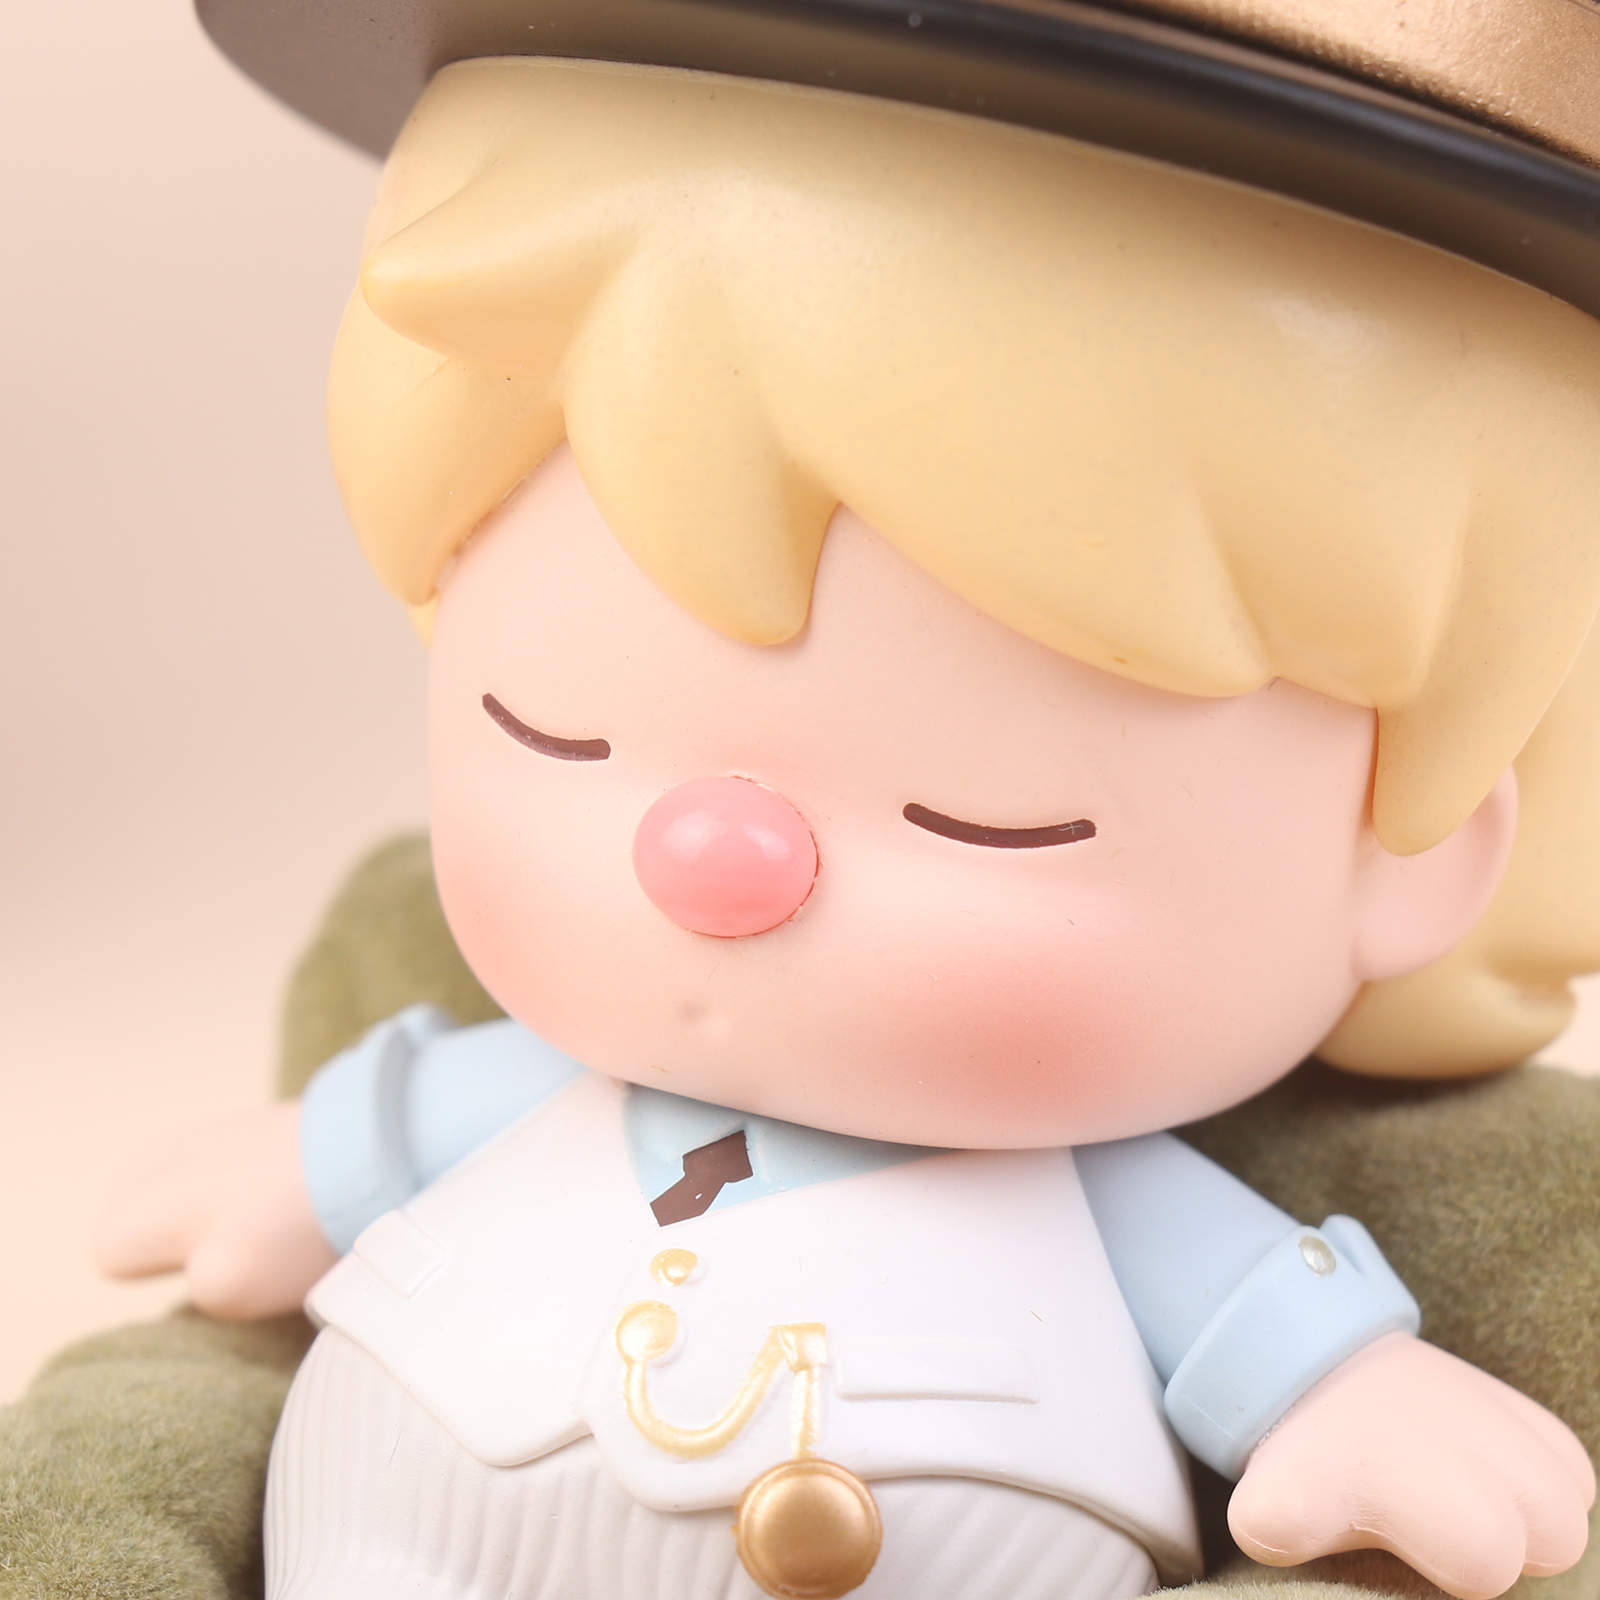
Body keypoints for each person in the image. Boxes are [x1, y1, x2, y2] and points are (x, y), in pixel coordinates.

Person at [95, 5, 1600, 1598]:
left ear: (1414, 856)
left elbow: (1248, 1309)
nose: (713, 861)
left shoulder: (1115, 1211)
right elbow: (403, 1130)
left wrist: (1352, 1397)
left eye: (988, 818)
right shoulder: (522, 1096)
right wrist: (311, 1164)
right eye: (552, 734)